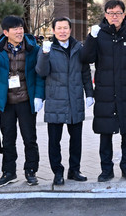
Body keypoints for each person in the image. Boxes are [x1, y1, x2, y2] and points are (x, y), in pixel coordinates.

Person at [80, 0, 126, 182]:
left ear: (124, 14)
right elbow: (86, 58)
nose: (114, 16)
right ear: (105, 15)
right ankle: (106, 169)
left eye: (118, 13)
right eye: (110, 13)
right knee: (105, 132)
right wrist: (91, 38)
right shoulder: (99, 34)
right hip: (105, 92)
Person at [0, 15, 44, 187]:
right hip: (6, 102)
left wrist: (39, 96)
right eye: (15, 29)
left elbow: (39, 74)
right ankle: (9, 172)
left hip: (26, 100)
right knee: (8, 139)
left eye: (21, 28)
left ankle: (31, 171)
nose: (19, 32)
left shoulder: (33, 48)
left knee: (29, 138)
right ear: (6, 32)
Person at [36, 17, 94, 185]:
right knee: (54, 141)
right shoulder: (47, 49)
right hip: (55, 101)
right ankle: (58, 171)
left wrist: (89, 94)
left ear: (70, 29)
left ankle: (74, 170)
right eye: (59, 28)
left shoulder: (78, 48)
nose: (62, 31)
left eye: (65, 28)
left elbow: (85, 73)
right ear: (53, 30)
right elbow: (41, 72)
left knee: (76, 140)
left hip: (75, 100)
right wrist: (45, 54)